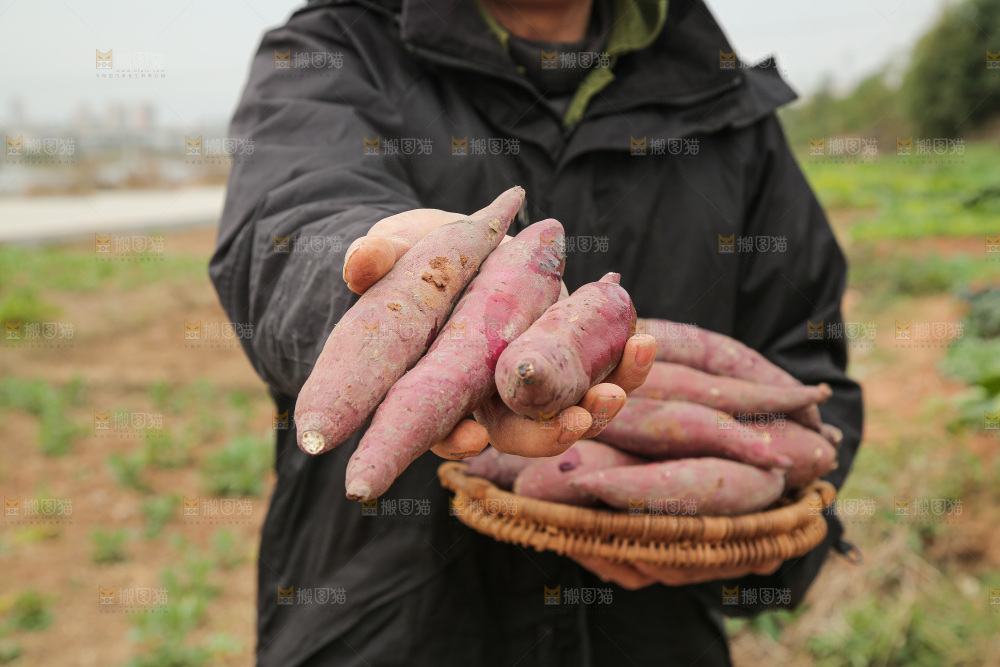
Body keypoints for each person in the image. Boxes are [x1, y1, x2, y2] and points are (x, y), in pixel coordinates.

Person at [210, 0, 864, 664]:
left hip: (655, 640)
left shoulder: (722, 92)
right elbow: (285, 231)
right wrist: (387, 283)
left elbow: (807, 370)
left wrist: (741, 540)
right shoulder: (334, 51)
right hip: (385, 631)